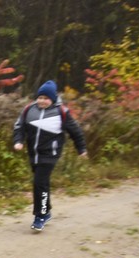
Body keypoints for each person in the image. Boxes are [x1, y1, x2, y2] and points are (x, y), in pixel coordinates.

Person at [13, 79, 88, 231]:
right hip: (33, 153)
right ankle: (46, 212)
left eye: (46, 98)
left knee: (39, 183)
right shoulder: (29, 110)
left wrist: (81, 149)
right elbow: (19, 127)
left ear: (52, 99)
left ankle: (39, 216)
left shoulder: (61, 112)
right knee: (42, 184)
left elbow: (76, 131)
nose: (42, 101)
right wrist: (18, 141)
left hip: (50, 154)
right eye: (40, 97)